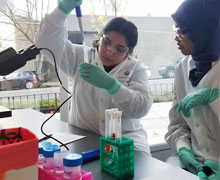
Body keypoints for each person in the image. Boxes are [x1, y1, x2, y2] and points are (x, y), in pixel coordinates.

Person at [35, 0, 153, 154]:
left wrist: (113, 86)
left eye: (120, 49)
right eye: (107, 42)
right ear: (101, 38)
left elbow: (141, 108)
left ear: (129, 51)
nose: (110, 51)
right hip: (83, 137)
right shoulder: (80, 56)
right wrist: (63, 9)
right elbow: (45, 43)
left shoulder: (136, 68)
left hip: (127, 140)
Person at [164, 0, 220, 179]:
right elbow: (177, 123)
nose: (176, 37)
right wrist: (183, 149)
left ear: (202, 31)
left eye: (181, 31)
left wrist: (216, 100)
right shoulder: (182, 68)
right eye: (176, 29)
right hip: (194, 164)